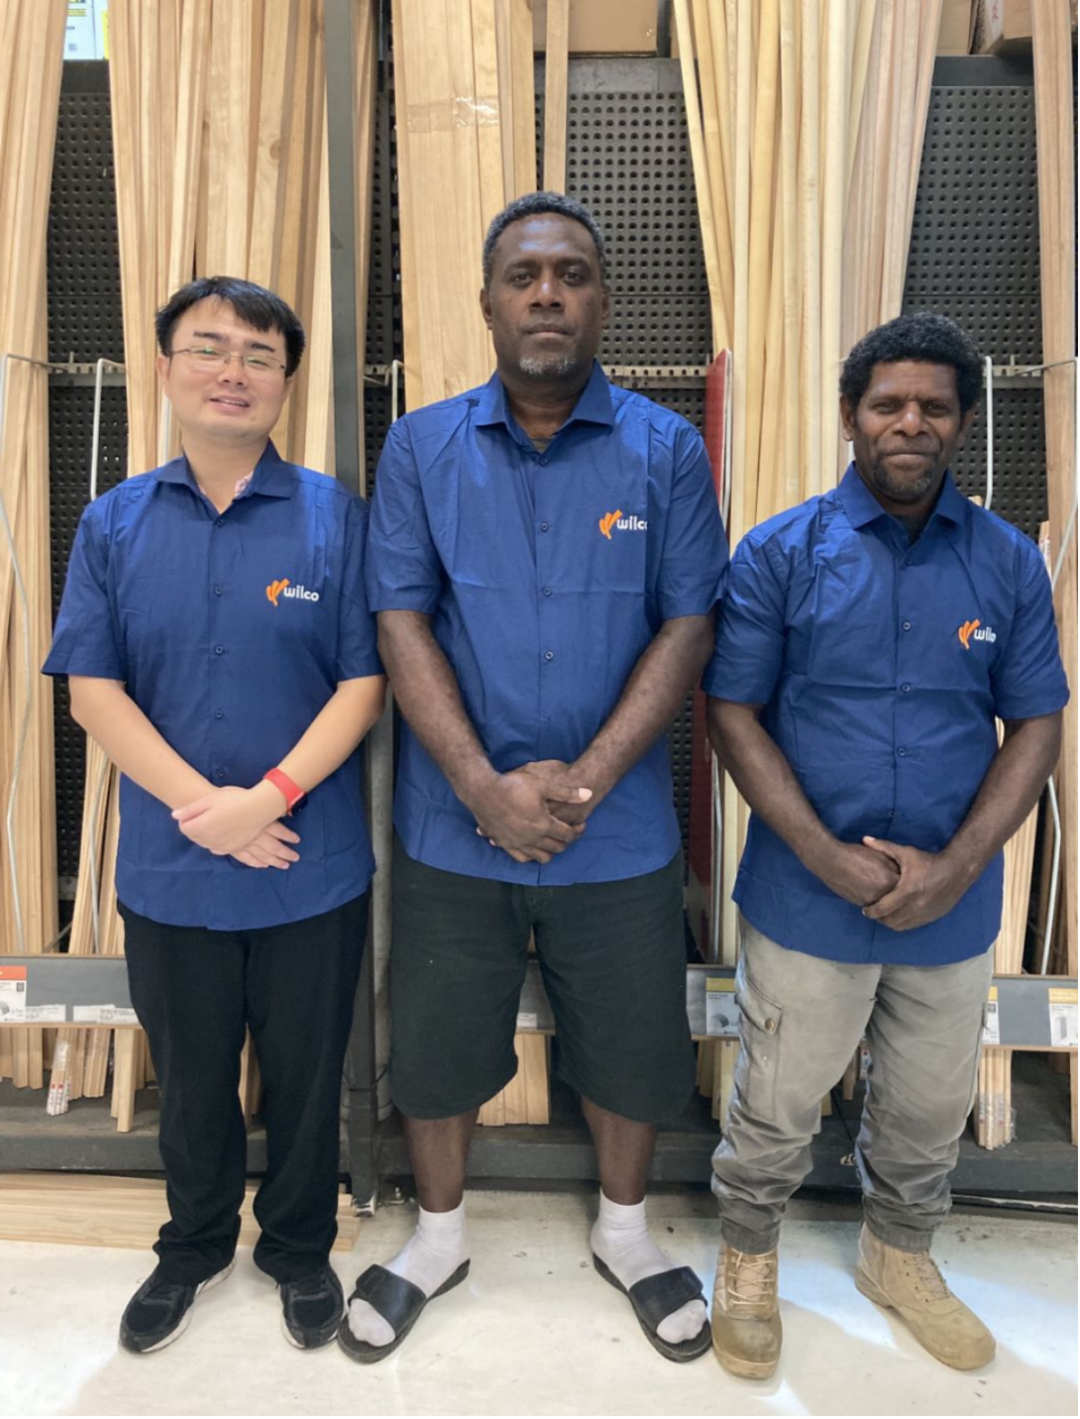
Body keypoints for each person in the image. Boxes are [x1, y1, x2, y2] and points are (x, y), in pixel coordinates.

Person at [347, 192, 728, 1364]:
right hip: (452, 825)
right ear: (488, 303)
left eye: (571, 274)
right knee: (438, 1041)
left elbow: (689, 624)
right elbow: (401, 620)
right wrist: (480, 786)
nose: (548, 294)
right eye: (524, 276)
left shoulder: (666, 451)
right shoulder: (421, 447)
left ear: (602, 298)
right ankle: (439, 1238)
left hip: (617, 832)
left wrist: (586, 784)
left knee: (632, 1039)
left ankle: (626, 1232)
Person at [703, 311, 1068, 1379]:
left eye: (934, 407)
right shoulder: (781, 554)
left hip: (950, 904)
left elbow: (1036, 724)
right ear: (849, 416)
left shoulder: (1007, 562)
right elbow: (732, 713)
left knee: (927, 1106)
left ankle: (898, 1256)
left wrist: (958, 867)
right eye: (888, 404)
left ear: (962, 422)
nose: (911, 423)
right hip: (808, 895)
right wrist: (824, 854)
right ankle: (748, 1257)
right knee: (777, 1096)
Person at [44, 276, 386, 1354]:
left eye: (258, 356)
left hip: (308, 863)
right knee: (190, 1078)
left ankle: (298, 1246)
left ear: (285, 382)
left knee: (307, 1075)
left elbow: (364, 682)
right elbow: (92, 690)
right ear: (165, 368)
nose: (232, 372)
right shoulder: (114, 523)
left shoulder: (337, 518)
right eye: (208, 348)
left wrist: (269, 800)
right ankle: (191, 1245)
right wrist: (208, 809)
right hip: (173, 863)